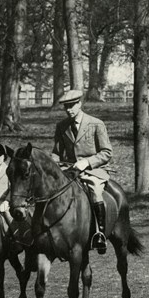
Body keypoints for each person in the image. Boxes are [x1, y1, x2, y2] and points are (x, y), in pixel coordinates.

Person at [52, 89, 112, 254]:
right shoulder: (62, 126)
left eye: (72, 105)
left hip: (94, 171)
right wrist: (53, 165)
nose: (69, 110)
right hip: (70, 171)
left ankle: (99, 234)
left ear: (80, 104)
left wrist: (87, 162)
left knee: (95, 190)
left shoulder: (96, 124)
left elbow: (107, 152)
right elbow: (57, 153)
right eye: (66, 107)